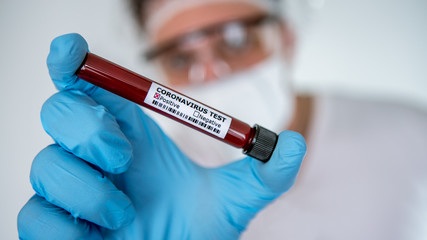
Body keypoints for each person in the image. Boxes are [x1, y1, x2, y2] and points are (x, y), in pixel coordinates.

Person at [17, 0, 427, 239]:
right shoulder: (140, 173)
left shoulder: (411, 132)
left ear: (286, 35)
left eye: (236, 39)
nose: (211, 73)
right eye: (180, 57)